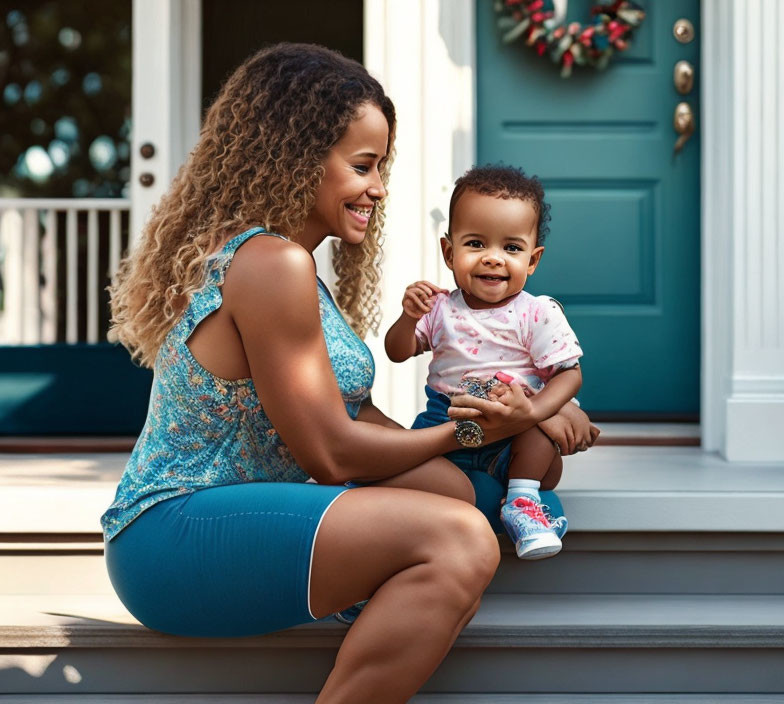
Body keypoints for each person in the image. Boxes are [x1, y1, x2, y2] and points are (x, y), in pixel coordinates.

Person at [101, 43, 596, 703]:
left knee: (483, 500)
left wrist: (526, 410)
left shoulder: (295, 266)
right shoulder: (271, 265)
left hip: (242, 519)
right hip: (177, 532)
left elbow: (362, 423)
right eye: (364, 166)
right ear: (298, 158)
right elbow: (333, 454)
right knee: (461, 539)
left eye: (381, 167)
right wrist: (471, 433)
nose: (379, 188)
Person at [384, 165, 593, 560]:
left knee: (540, 440)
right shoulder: (439, 307)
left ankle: (522, 500)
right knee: (408, 477)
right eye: (476, 244)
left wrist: (533, 412)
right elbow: (399, 351)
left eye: (511, 248)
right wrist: (409, 316)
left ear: (532, 261)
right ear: (449, 252)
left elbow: (569, 375)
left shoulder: (537, 312)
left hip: (514, 436)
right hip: (445, 422)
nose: (493, 259)